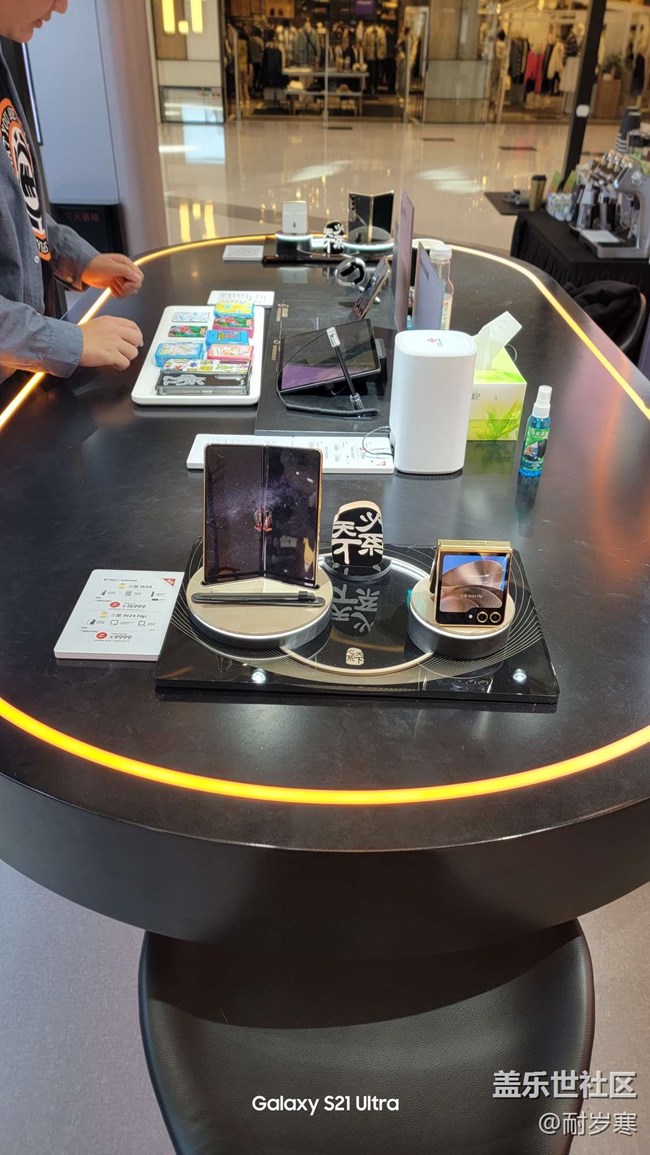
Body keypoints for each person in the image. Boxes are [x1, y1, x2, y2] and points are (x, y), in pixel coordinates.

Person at [0, 0, 144, 386]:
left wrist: (79, 260)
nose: (62, 6)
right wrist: (66, 341)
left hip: (24, 371)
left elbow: (20, 206)